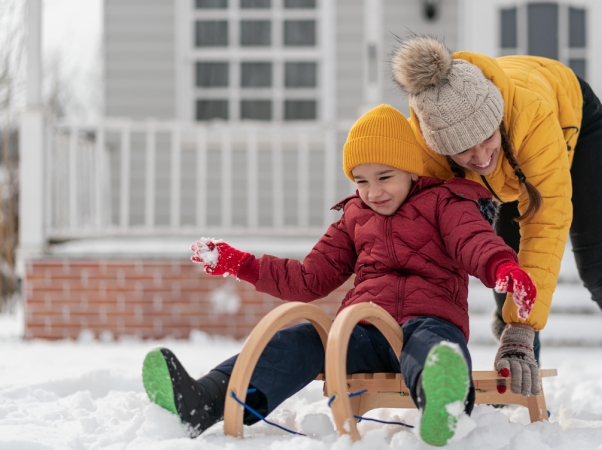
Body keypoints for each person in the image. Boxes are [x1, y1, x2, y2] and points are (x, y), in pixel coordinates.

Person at [140, 105, 538, 445]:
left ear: (413, 171)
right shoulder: (353, 217)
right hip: (362, 330)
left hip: (428, 319)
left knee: (434, 348)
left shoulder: (445, 203)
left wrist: (503, 268)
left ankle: (444, 404)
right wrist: (242, 264)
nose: (373, 192)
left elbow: (474, 241)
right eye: (361, 181)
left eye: (385, 177)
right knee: (299, 339)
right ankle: (206, 399)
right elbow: (308, 279)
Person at [389, 35, 602, 419]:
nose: (480, 157)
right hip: (511, 153)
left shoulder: (532, 117)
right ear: (440, 147)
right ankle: (522, 386)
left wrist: (522, 327)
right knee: (503, 264)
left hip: (572, 121)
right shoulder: (428, 153)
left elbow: (547, 224)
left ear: (497, 119)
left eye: (486, 139)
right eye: (464, 150)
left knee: (599, 269)